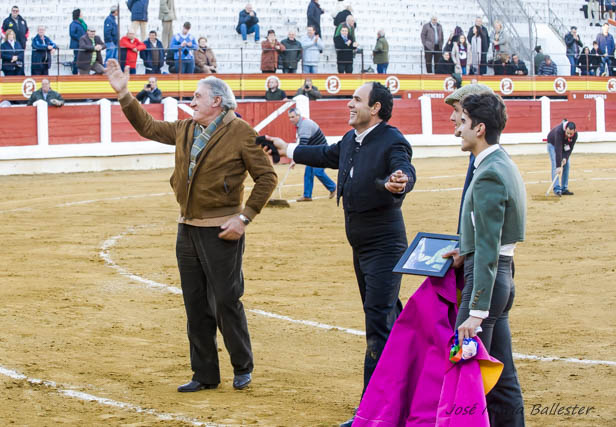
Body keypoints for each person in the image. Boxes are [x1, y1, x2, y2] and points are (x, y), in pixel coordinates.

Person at [104, 59, 277, 392]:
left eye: (198, 97)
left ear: (217, 101)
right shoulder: (185, 129)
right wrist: (125, 94)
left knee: (226, 300)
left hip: (222, 230)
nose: (192, 101)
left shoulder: (241, 132)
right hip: (187, 228)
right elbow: (147, 127)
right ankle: (205, 374)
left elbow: (267, 176)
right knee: (195, 304)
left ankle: (242, 365)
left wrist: (244, 217)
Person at [266, 82, 416, 427]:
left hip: (384, 247)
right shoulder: (352, 140)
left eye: (356, 100)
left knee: (378, 324)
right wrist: (287, 147)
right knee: (389, 320)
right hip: (362, 247)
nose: (349, 104)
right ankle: (409, 387)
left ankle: (372, 411)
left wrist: (401, 180)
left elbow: (403, 167)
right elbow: (324, 155)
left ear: (375, 108)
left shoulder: (391, 139)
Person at [452, 92, 527, 427]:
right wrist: (463, 250)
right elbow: (483, 239)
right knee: (503, 378)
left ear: (479, 128)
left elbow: (487, 246)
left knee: (466, 378)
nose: (457, 127)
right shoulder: (501, 163)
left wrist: (476, 311)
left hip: (486, 284)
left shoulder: (488, 174)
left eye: (463, 121)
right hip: (501, 278)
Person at [286, 108, 336, 201]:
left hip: (321, 151)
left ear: (298, 116)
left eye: (293, 117)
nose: (291, 119)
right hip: (314, 151)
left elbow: (303, 145)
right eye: (289, 117)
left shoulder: (304, 125)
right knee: (309, 172)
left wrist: (294, 160)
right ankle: (307, 196)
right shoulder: (301, 124)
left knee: (317, 171)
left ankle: (333, 187)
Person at [547, 120, 577, 196]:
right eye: (568, 133)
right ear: (565, 129)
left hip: (564, 146)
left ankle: (564, 188)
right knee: (555, 165)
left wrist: (565, 158)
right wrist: (558, 166)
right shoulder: (559, 131)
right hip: (553, 144)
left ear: (574, 131)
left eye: (571, 134)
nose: (569, 135)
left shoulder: (575, 135)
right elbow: (558, 149)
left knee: (567, 164)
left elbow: (570, 149)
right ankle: (557, 189)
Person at [69, 9, 87, 75]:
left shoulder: (82, 23)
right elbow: (72, 34)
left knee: (82, 58)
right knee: (77, 58)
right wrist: (81, 38)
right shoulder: (73, 24)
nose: (82, 14)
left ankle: (82, 72)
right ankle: (75, 72)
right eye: (81, 13)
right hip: (77, 44)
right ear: (78, 15)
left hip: (83, 44)